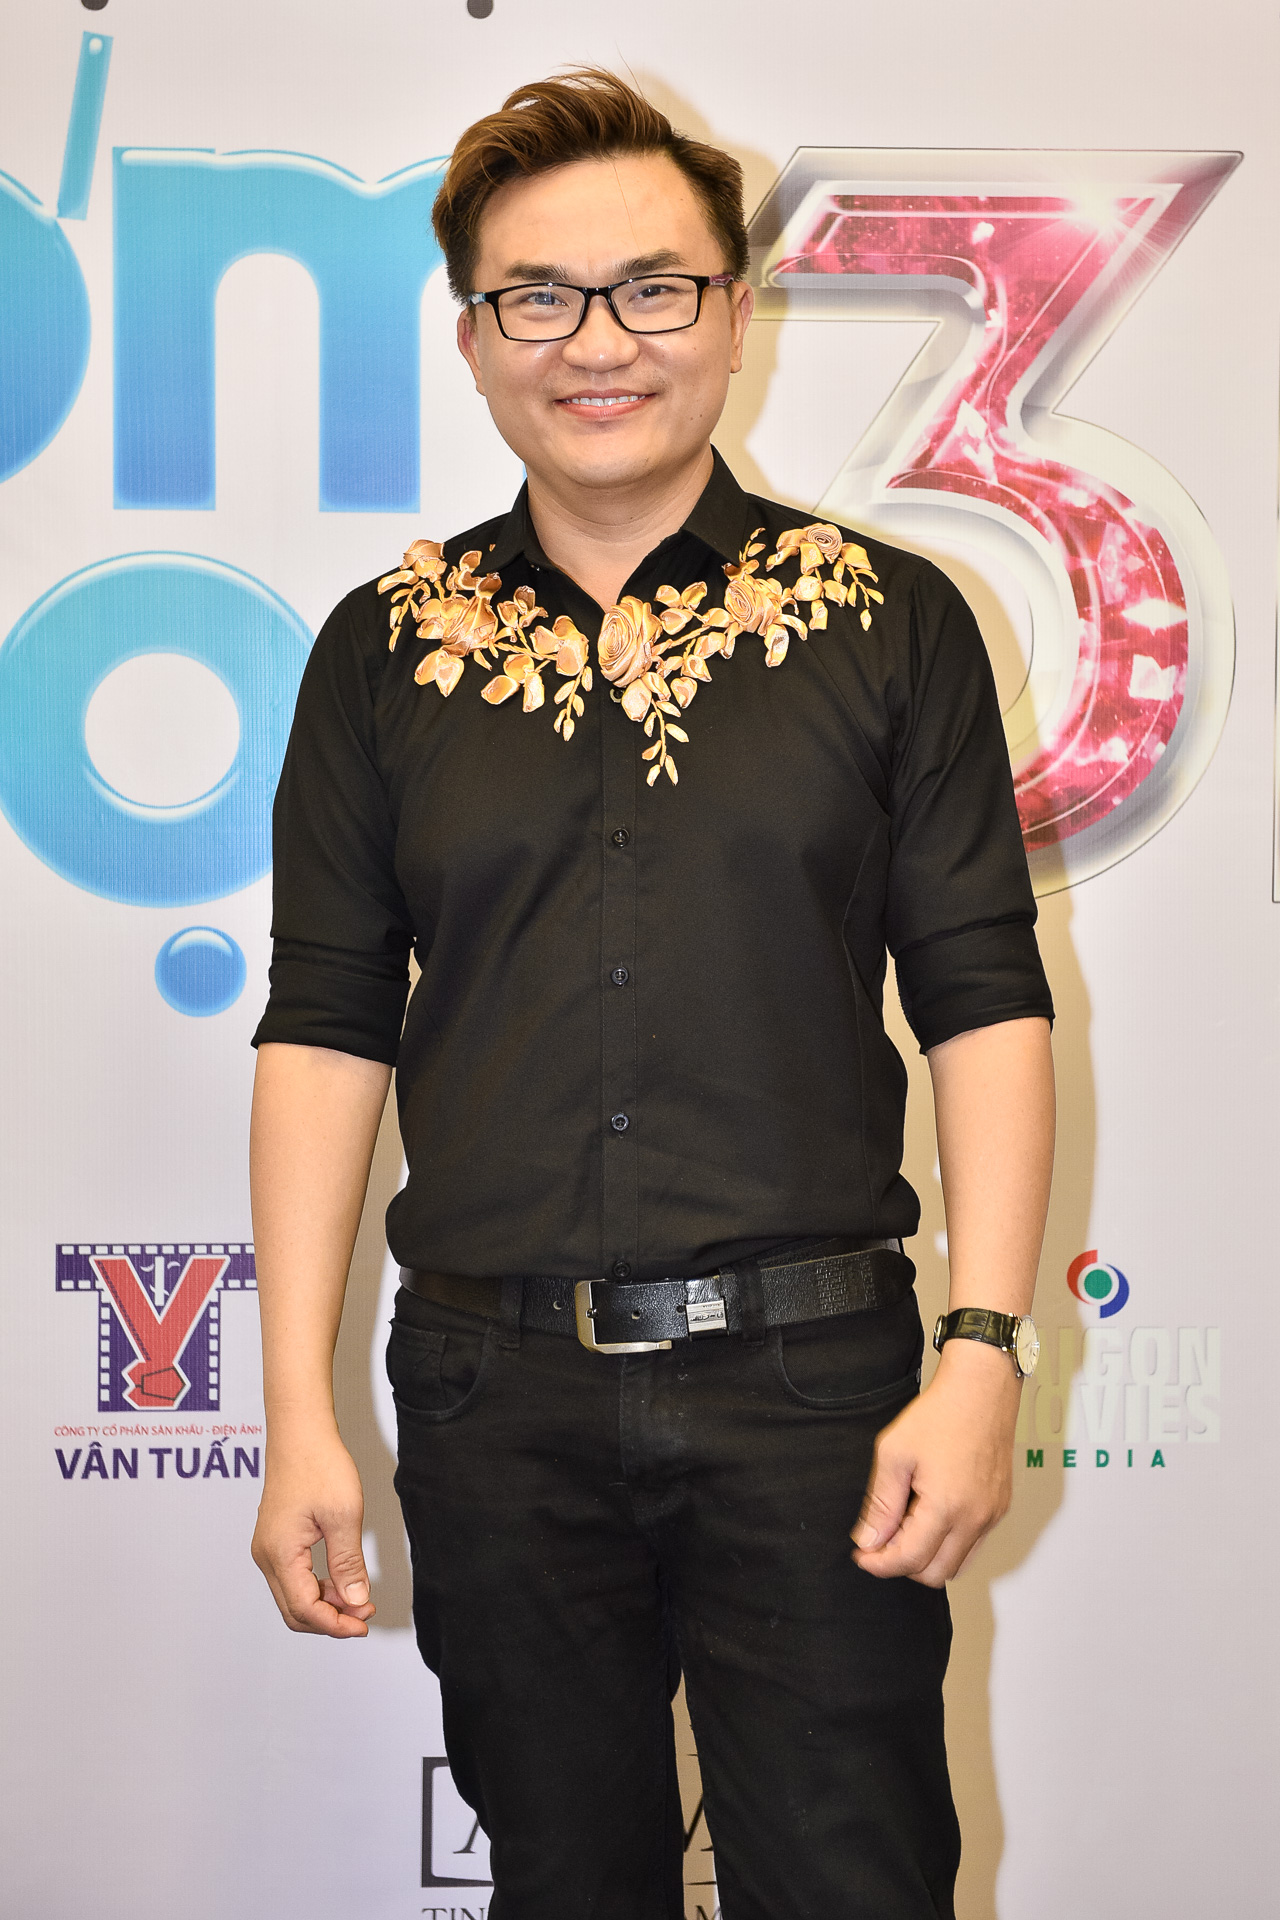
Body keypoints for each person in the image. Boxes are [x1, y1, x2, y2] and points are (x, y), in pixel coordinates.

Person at [249, 68, 1055, 1920]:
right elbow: (325, 1024)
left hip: (816, 1387)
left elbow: (984, 1001)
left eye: (653, 288)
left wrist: (983, 1352)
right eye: (539, 295)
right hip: (495, 1396)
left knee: (855, 1885)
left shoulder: (890, 622)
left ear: (734, 312)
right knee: (565, 1887)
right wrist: (298, 1405)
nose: (599, 342)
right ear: (471, 336)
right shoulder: (381, 654)